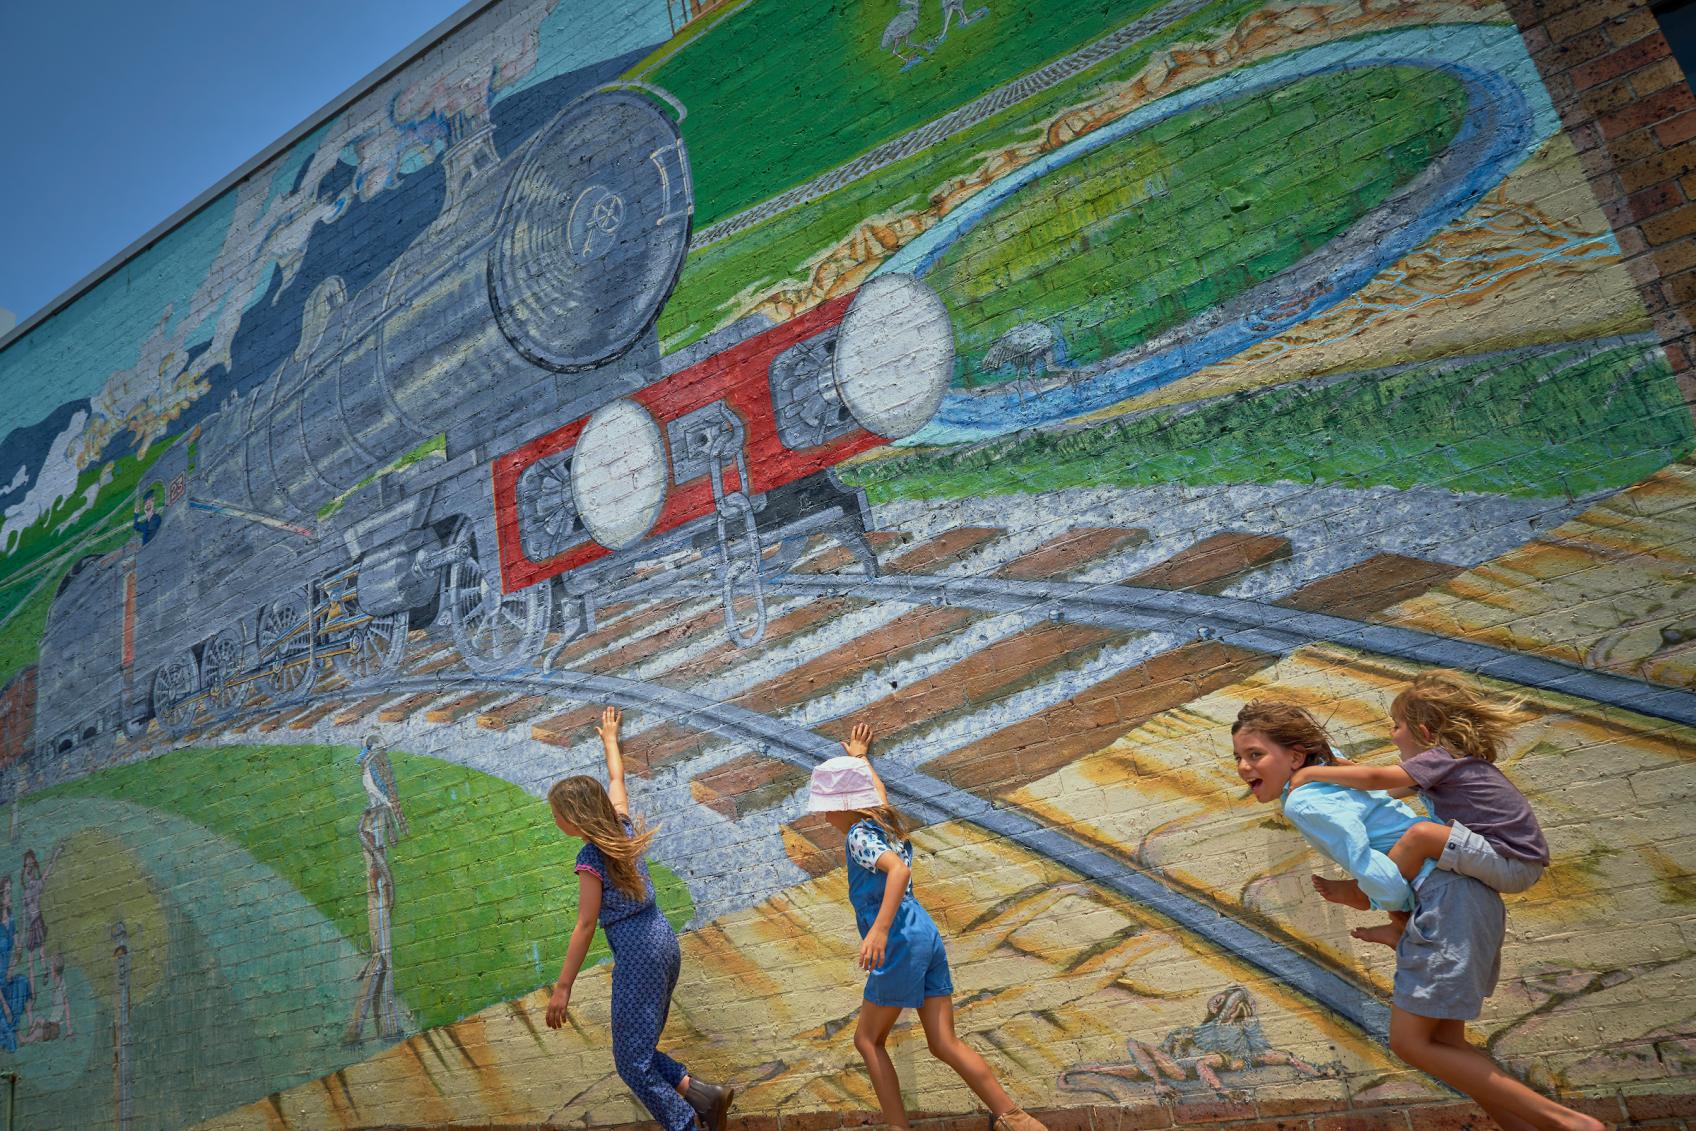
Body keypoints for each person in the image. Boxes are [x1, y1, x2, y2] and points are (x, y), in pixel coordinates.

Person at [1231, 699, 1601, 1131]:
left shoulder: (1305, 802)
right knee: (1446, 1046)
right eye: (1238, 757)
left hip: (1445, 900)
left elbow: (1382, 878)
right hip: (1462, 897)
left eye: (1255, 755)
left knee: (1410, 1044)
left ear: (1294, 757)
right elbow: (1368, 781)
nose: (1243, 767)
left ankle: (1573, 1126)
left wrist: (1366, 898)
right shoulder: (1334, 786)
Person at [806, 723, 1047, 1131]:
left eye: (827, 806)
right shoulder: (884, 822)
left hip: (898, 938)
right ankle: (1017, 1120)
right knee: (944, 1042)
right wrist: (860, 757)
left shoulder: (858, 837)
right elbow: (877, 795)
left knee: (867, 1041)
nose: (823, 815)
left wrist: (879, 931)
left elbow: (897, 872)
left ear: (846, 804)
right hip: (924, 934)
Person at [545, 707, 734, 1131]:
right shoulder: (623, 828)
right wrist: (610, 740)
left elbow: (585, 925)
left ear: (574, 819)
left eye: (557, 814)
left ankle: (686, 1124)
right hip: (662, 939)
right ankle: (706, 1096)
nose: (555, 821)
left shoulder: (590, 858)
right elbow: (617, 781)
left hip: (637, 952)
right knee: (641, 1051)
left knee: (630, 1062)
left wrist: (563, 987)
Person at [1290, 671, 1548, 947]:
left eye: (1396, 726)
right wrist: (1333, 764)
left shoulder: (1440, 758)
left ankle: (1364, 893)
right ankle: (1401, 926)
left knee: (1420, 835)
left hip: (1513, 860)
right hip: (1507, 858)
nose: (1392, 735)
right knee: (1408, 842)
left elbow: (1376, 779)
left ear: (1423, 732)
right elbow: (1379, 790)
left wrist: (1312, 774)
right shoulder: (1448, 767)